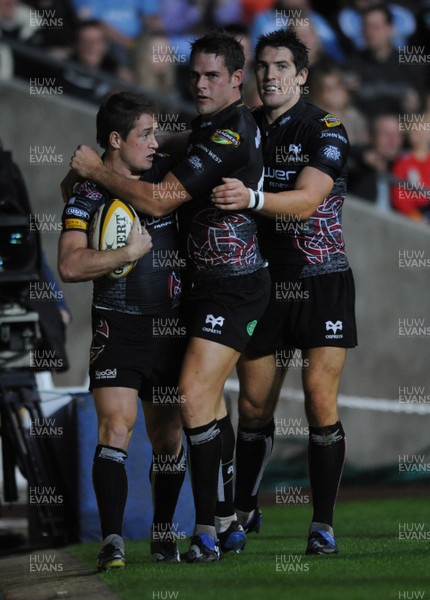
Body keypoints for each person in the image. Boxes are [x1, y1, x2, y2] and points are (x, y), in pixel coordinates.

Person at [64, 31, 270, 563]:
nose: (199, 85)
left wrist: (94, 170)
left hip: (218, 296)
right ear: (117, 139)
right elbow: (67, 260)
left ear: (236, 79)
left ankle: (205, 523)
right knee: (142, 419)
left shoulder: (216, 141)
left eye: (211, 77)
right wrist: (91, 190)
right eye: (195, 76)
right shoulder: (190, 138)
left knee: (193, 410)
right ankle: (148, 535)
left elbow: (158, 202)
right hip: (126, 321)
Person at [212, 27, 357, 555]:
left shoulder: (328, 128)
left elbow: (306, 201)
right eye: (262, 67)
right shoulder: (242, 126)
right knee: (253, 409)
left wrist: (249, 197)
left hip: (322, 281)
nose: (269, 75)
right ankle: (246, 510)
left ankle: (322, 525)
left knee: (320, 400)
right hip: (263, 282)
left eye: (280, 67)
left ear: (302, 77)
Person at [58, 92, 187, 570]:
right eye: (145, 134)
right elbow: (69, 265)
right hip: (116, 326)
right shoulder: (86, 195)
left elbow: (197, 135)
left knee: (169, 440)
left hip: (171, 327)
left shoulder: (165, 177)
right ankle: (112, 541)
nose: (154, 142)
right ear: (116, 139)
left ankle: (163, 533)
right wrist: (123, 256)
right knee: (116, 426)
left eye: (156, 132)